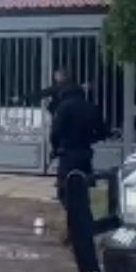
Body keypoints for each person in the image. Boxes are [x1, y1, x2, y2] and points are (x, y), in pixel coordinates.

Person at [50, 79, 108, 213]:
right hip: (84, 152)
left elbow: (55, 132)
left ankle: (69, 210)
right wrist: (91, 139)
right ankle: (88, 212)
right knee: (87, 181)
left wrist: (55, 148)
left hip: (67, 152)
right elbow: (103, 132)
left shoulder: (63, 107)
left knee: (64, 184)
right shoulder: (91, 107)